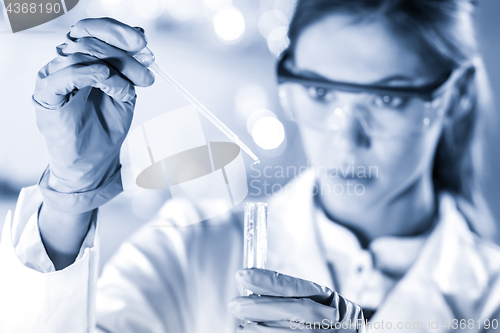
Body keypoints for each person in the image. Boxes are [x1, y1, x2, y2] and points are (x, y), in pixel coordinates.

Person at [1, 0, 500, 332]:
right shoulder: (189, 248)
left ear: (453, 96)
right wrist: (71, 190)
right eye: (321, 92)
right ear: (288, 90)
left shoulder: (489, 301)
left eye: (388, 99)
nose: (346, 136)